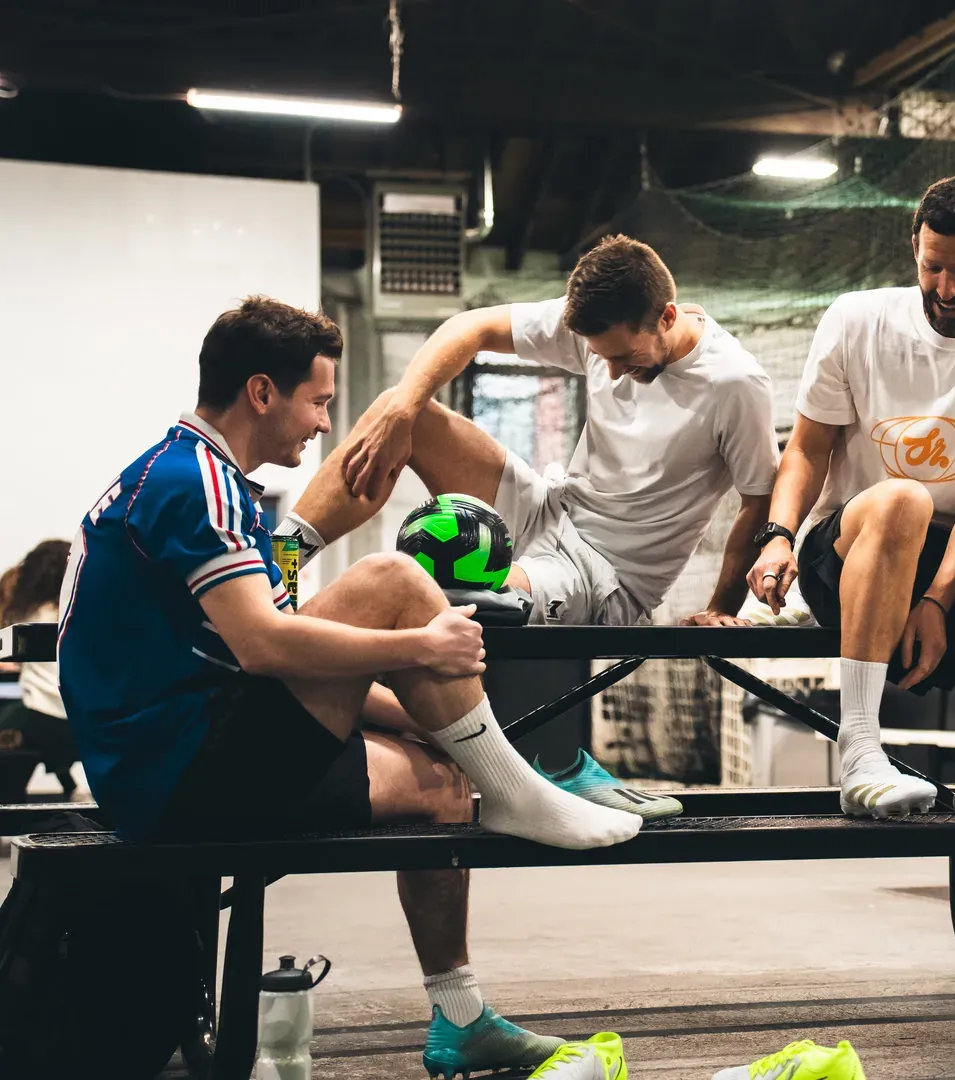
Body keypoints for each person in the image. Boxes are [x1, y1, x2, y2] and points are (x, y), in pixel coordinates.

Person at [57, 297, 643, 1078]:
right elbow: (267, 647)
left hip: (174, 752)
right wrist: (420, 642)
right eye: (320, 402)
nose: (326, 425)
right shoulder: (195, 483)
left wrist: (427, 719)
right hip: (178, 775)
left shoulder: (186, 473)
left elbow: (283, 660)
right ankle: (514, 792)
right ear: (262, 393)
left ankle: (461, 1013)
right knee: (391, 577)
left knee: (443, 779)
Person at [747, 173, 955, 822]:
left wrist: (937, 597)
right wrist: (778, 534)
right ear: (914, 250)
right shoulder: (856, 319)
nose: (947, 288)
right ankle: (860, 754)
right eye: (933, 267)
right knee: (903, 499)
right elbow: (809, 448)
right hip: (852, 553)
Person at [282, 233, 779, 633]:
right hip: (548, 507)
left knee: (458, 601)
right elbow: (469, 327)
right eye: (601, 357)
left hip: (602, 576)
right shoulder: (601, 326)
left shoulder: (734, 383)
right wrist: (403, 414)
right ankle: (278, 564)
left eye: (624, 357)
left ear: (667, 317)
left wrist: (720, 607)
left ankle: (286, 640)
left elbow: (758, 502)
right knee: (399, 406)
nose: (611, 371)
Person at [0, 539, 77, 793]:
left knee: (12, 720)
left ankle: (9, 804)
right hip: (83, 723)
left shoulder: (26, 616)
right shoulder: (81, 613)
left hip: (40, 721)